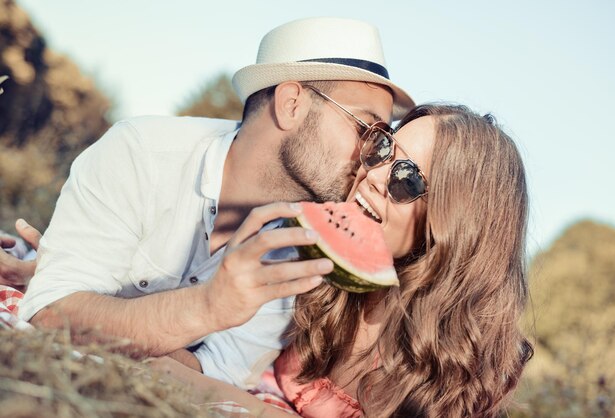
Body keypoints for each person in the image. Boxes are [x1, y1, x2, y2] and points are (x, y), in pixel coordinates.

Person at [11, 16, 414, 389]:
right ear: (291, 104)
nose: (373, 157)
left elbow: (218, 373)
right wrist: (207, 307)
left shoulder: (302, 248)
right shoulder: (139, 153)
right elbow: (52, 312)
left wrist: (107, 316)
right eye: (367, 128)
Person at [149, 103, 534, 418]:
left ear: (457, 224)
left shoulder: (458, 374)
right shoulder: (318, 278)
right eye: (383, 149)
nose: (373, 175)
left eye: (408, 178)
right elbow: (223, 362)